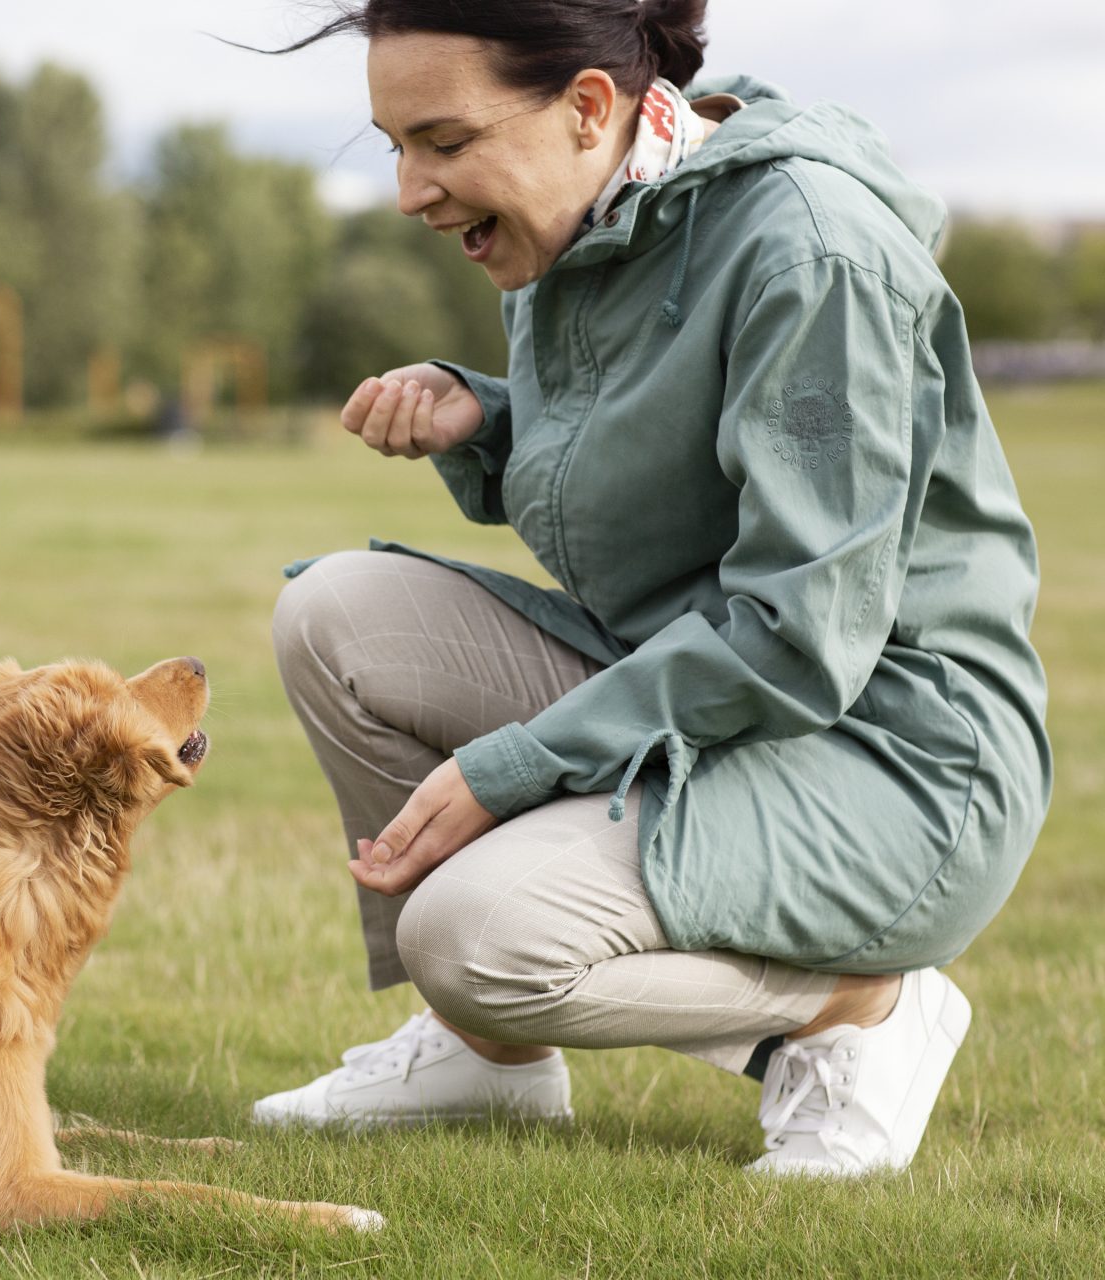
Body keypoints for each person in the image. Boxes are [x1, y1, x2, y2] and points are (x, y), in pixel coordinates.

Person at [251, 0, 1053, 1177]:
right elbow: (670, 446)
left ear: (587, 107)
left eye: (445, 141)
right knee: (334, 616)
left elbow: (798, 629)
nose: (413, 192)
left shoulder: (808, 250)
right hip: (709, 696)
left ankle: (854, 1007)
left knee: (470, 935)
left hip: (892, 755)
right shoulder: (576, 221)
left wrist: (519, 762)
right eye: (397, 148)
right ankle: (491, 1058)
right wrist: (487, 416)